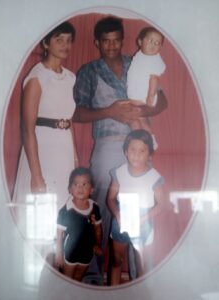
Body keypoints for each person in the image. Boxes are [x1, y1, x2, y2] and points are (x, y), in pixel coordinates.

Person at [73, 16, 168, 285]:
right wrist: (111, 112)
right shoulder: (88, 71)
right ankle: (92, 275)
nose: (112, 45)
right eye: (106, 41)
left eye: (116, 40)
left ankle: (139, 277)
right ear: (97, 43)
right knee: (101, 207)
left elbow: (162, 102)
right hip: (107, 146)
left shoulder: (137, 62)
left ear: (124, 40)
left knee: (139, 206)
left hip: (137, 147)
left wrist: (142, 110)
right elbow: (76, 113)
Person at [12, 22, 77, 213]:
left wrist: (74, 155)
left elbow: (68, 119)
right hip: (42, 149)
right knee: (39, 210)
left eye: (68, 40)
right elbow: (27, 129)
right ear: (46, 44)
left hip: (63, 148)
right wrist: (36, 175)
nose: (65, 45)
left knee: (61, 209)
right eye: (59, 40)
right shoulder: (37, 76)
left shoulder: (70, 78)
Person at [107, 129, 167, 285]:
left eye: (142, 150)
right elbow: (111, 199)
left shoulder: (154, 176)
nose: (136, 154)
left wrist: (143, 218)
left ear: (149, 154)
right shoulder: (119, 172)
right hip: (121, 220)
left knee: (142, 268)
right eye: (132, 149)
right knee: (116, 261)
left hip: (143, 222)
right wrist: (118, 214)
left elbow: (162, 204)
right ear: (126, 152)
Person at [55, 167, 103, 282]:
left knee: (78, 279)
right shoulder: (65, 211)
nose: (80, 188)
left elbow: (98, 229)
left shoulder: (95, 208)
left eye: (84, 184)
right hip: (70, 254)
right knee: (67, 280)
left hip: (87, 254)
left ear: (91, 189)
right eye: (76, 184)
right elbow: (59, 235)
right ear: (70, 189)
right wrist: (59, 254)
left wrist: (97, 244)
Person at [127, 27, 166, 147]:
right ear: (140, 42)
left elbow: (154, 79)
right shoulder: (139, 56)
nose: (153, 45)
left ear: (160, 48)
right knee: (137, 122)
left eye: (157, 43)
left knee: (138, 121)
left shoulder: (154, 59)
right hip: (135, 98)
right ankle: (144, 142)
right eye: (150, 40)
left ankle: (148, 142)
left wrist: (150, 96)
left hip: (145, 97)